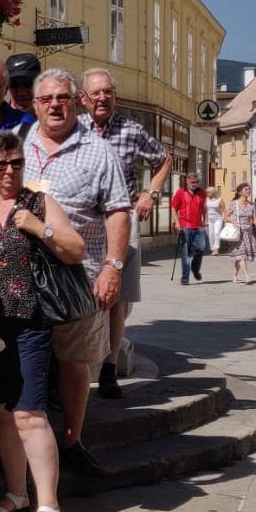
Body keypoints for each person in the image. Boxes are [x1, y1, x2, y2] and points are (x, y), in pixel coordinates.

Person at [0, 130, 86, 512]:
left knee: (29, 413)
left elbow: (76, 249)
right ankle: (17, 493)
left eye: (15, 164)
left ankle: (49, 504)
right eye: (0, 165)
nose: (8, 172)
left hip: (31, 322)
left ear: (24, 165)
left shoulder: (39, 203)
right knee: (3, 412)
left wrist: (41, 229)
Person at [22, 68, 131, 479]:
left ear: (76, 101)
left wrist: (113, 268)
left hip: (81, 277)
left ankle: (71, 441)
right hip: (26, 279)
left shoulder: (98, 150)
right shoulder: (21, 142)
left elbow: (118, 210)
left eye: (63, 98)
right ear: (35, 104)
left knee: (74, 363)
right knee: (28, 359)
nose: (55, 105)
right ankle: (29, 443)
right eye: (47, 98)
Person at [80, 68, 171, 398]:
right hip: (86, 220)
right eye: (96, 93)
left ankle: (108, 367)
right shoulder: (74, 132)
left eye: (108, 92)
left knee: (116, 297)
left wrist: (151, 193)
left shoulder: (131, 131)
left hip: (121, 219)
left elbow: (164, 159)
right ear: (83, 99)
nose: (103, 98)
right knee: (84, 290)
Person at [171, 173, 209, 287]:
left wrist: (205, 223)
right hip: (185, 226)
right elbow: (173, 207)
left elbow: (204, 208)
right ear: (187, 182)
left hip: (199, 226)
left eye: (197, 182)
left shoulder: (202, 193)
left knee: (201, 248)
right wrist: (177, 223)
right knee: (186, 253)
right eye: (193, 182)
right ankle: (185, 277)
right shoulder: (180, 192)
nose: (195, 184)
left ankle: (195, 268)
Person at [228, 184, 256, 284]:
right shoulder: (234, 204)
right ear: (240, 192)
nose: (248, 191)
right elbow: (226, 216)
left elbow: (254, 219)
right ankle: (247, 276)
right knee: (241, 255)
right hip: (237, 233)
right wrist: (233, 221)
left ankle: (234, 275)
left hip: (248, 233)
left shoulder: (251, 205)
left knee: (240, 256)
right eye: (246, 189)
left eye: (249, 189)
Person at [5, 53, 41, 117]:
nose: (22, 92)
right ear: (7, 87)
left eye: (28, 83)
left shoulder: (50, 121)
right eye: (14, 84)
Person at [206, 186, 224, 254]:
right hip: (210, 219)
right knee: (210, 234)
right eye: (207, 192)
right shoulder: (206, 199)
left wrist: (225, 218)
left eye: (208, 192)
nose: (207, 194)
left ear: (213, 192)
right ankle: (212, 248)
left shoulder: (219, 199)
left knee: (217, 233)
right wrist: (205, 220)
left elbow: (223, 209)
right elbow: (205, 210)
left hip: (218, 219)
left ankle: (216, 249)